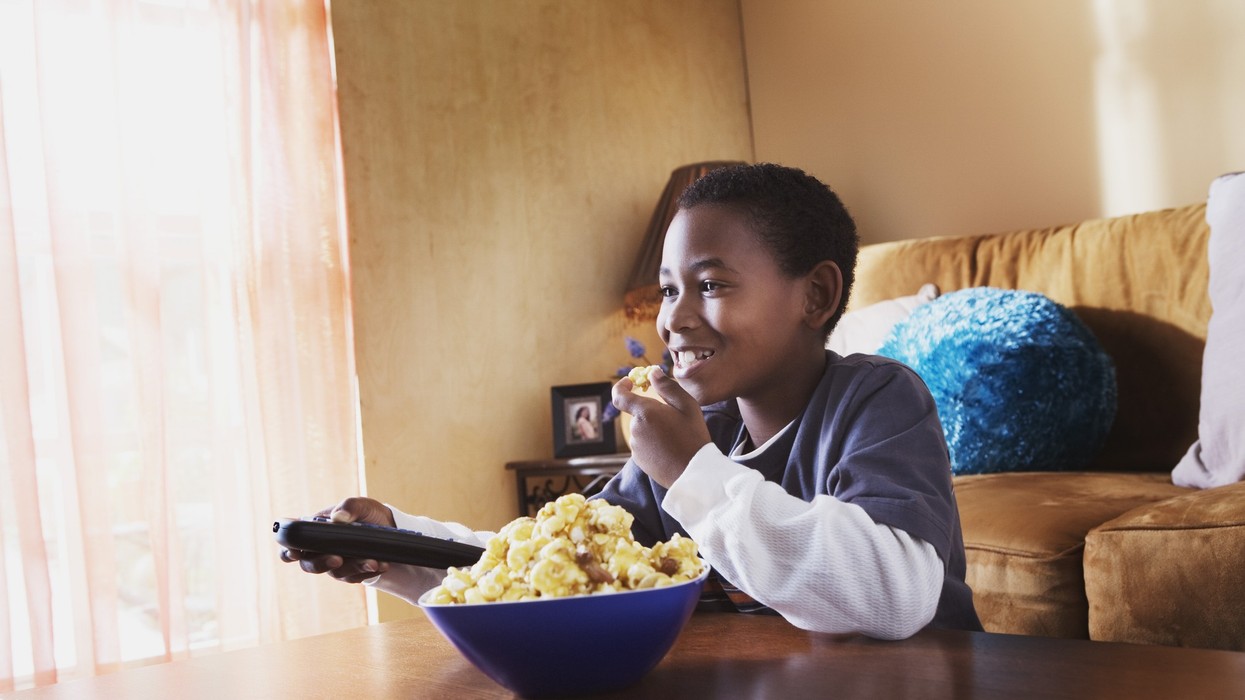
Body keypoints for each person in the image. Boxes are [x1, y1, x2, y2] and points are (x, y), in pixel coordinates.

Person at [280, 163, 982, 639]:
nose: (672, 319)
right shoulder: (700, 431)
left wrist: (694, 472)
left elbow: (898, 595)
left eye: (709, 285)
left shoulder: (876, 399)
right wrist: (393, 546)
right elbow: (559, 564)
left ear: (816, 296)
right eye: (670, 290)